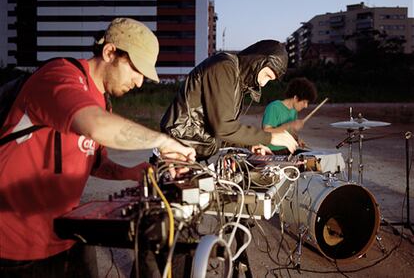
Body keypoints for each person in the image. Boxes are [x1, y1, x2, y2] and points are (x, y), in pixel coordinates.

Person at [0, 18, 195, 278]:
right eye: (136, 69)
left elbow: (97, 164)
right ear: (109, 52)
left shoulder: (103, 102)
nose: (139, 82)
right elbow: (95, 126)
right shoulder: (59, 76)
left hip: (68, 235)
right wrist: (163, 140)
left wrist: (138, 172)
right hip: (15, 246)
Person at [160, 39, 298, 161]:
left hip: (191, 153)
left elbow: (218, 130)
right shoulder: (224, 67)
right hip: (177, 152)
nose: (263, 83)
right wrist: (269, 137)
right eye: (267, 75)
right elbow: (223, 127)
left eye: (270, 80)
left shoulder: (236, 79)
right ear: (258, 61)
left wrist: (249, 144)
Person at [262, 77, 317, 154]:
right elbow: (266, 131)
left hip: (287, 148)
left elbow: (289, 132)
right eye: (304, 102)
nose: (306, 106)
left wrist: (297, 139)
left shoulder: (293, 111)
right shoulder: (274, 107)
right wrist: (289, 125)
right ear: (295, 98)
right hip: (272, 151)